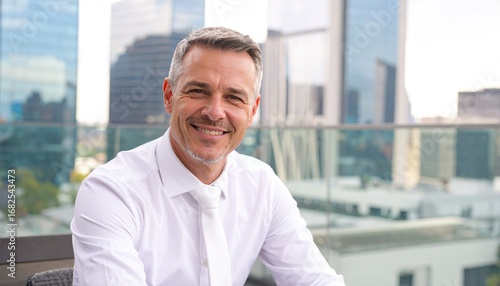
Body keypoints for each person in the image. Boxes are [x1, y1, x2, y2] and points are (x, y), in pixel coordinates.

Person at [71, 26, 345, 285]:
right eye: (199, 91)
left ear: (252, 110)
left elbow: (315, 278)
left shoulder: (263, 185)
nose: (215, 112)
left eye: (234, 97)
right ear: (169, 95)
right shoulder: (111, 191)